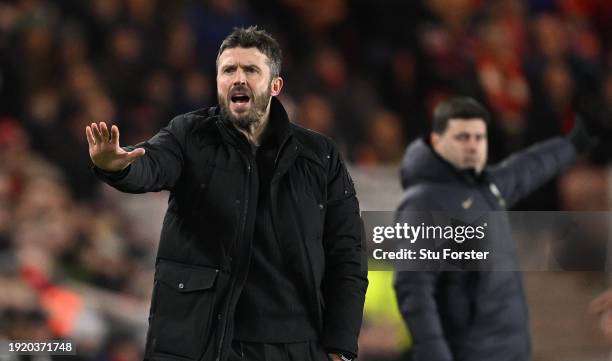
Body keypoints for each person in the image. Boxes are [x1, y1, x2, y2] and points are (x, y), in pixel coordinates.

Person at [85, 26, 367, 361]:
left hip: (296, 345)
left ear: (275, 85)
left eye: (251, 69)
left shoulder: (320, 155)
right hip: (208, 342)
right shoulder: (189, 134)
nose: (238, 78)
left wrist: (341, 344)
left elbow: (347, 254)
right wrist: (117, 166)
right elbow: (150, 164)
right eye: (228, 70)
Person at [393, 97, 596, 361]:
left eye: (479, 137)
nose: (473, 146)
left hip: (509, 349)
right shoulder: (423, 203)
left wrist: (570, 146)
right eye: (462, 137)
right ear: (436, 141)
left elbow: (527, 168)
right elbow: (414, 288)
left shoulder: (485, 187)